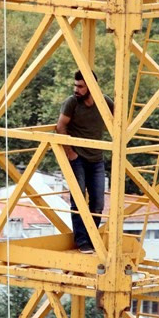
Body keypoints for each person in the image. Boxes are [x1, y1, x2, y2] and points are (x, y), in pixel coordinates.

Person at [56, 70, 113, 253]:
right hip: (78, 158)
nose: (76, 89)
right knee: (78, 199)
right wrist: (70, 153)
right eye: (75, 85)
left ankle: (91, 237)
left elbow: (120, 120)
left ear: (92, 87)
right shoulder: (72, 102)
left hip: (96, 159)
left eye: (80, 86)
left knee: (98, 202)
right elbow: (60, 126)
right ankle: (82, 241)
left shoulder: (105, 102)